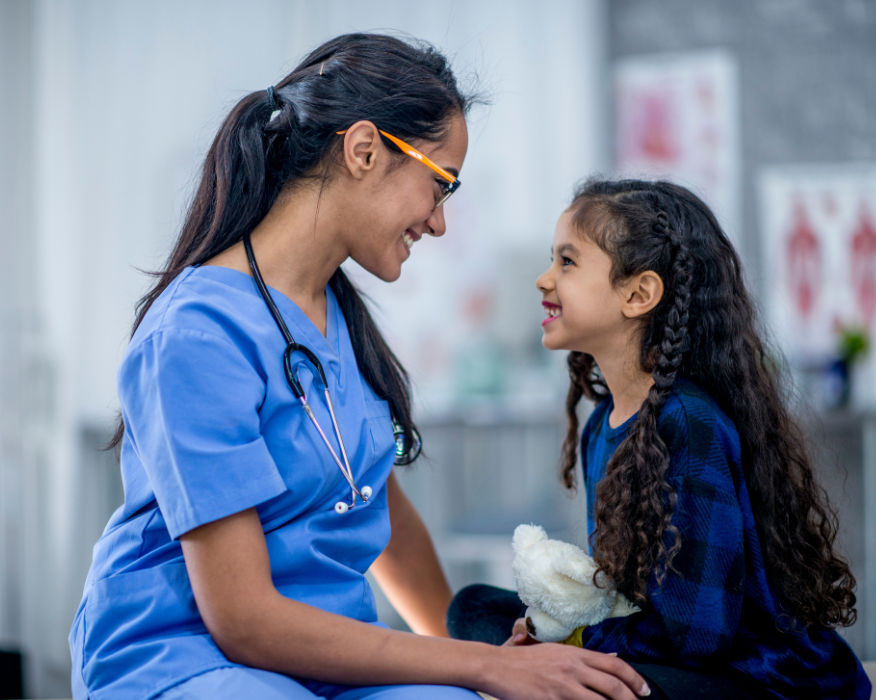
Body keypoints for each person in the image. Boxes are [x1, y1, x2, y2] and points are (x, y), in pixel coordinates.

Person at [69, 35, 651, 700]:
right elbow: (243, 620)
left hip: (326, 656)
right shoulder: (198, 335)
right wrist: (485, 665)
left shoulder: (340, 321)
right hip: (187, 654)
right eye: (439, 186)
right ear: (364, 150)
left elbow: (380, 513)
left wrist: (485, 669)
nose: (438, 223)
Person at [447, 179, 873, 700]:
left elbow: (698, 638)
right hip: (668, 651)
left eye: (567, 262)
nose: (543, 279)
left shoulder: (688, 424)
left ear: (639, 294)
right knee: (472, 609)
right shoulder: (603, 424)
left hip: (753, 678)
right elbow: (623, 597)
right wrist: (552, 632)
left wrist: (573, 642)